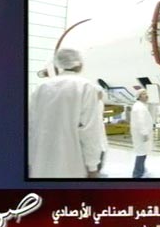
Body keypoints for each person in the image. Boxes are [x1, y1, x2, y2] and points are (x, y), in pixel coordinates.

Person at [28, 48, 105, 178]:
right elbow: (89, 130)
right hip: (72, 164)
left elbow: (31, 125)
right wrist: (92, 166)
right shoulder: (85, 86)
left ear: (58, 64)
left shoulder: (41, 87)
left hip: (40, 163)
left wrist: (31, 161)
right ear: (79, 64)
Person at [130, 88, 154, 178]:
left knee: (143, 153)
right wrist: (144, 133)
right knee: (141, 154)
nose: (146, 95)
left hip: (142, 134)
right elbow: (140, 121)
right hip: (141, 135)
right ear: (139, 97)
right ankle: (137, 174)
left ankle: (142, 170)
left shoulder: (141, 105)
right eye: (144, 94)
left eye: (146, 93)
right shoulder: (139, 107)